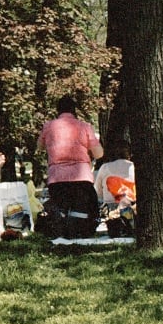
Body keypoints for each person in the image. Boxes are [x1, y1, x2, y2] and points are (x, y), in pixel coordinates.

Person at [37, 94, 104, 233]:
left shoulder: (48, 126)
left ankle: (62, 230)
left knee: (61, 209)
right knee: (83, 210)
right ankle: (82, 231)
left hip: (57, 177)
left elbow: (39, 147)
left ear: (58, 110)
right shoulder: (85, 127)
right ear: (74, 110)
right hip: (81, 177)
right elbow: (99, 154)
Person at [94, 139, 136, 207]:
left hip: (110, 209)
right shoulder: (134, 167)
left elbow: (97, 192)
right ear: (130, 154)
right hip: (131, 207)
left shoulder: (105, 167)